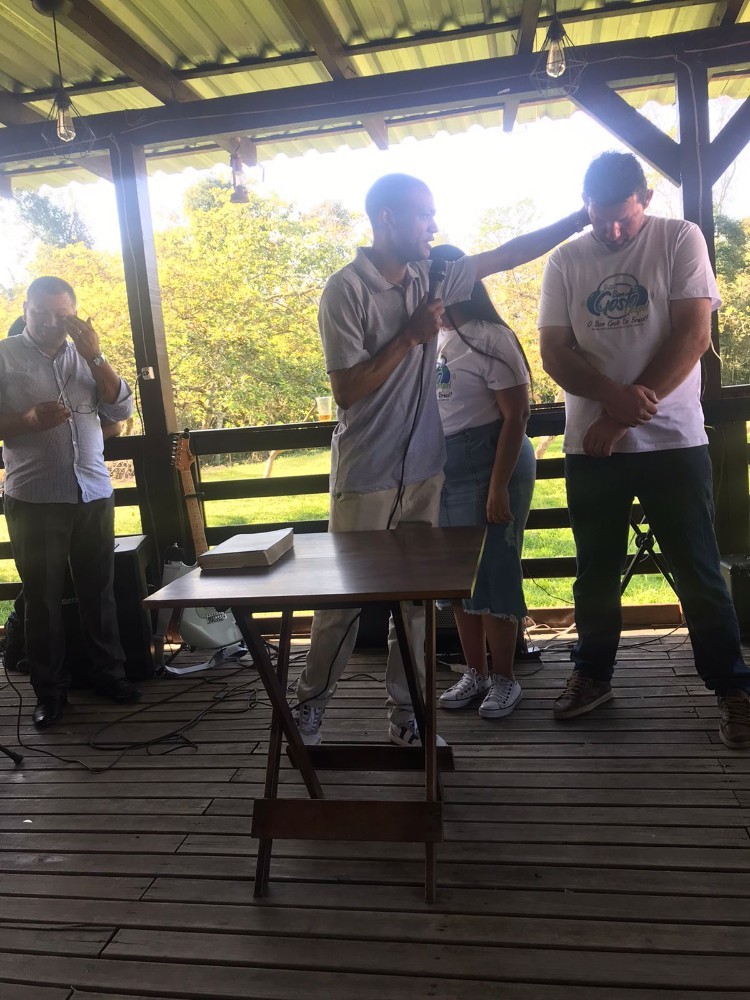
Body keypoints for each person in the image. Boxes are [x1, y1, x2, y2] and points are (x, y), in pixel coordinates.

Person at [293, 172, 589, 747]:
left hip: (426, 474)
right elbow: (347, 389)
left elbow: (507, 254)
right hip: (367, 474)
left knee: (417, 606)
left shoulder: (431, 276)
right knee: (342, 604)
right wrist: (408, 337)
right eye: (424, 214)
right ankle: (308, 710)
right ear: (387, 218)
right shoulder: (344, 290)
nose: (434, 225)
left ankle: (408, 718)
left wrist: (578, 219)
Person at [538, 150, 750, 750]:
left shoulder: (680, 238)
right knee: (595, 573)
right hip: (592, 447)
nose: (611, 230)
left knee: (698, 569)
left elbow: (693, 335)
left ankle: (733, 688)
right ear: (586, 206)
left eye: (623, 217)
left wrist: (621, 415)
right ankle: (593, 675)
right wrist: (613, 403)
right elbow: (554, 352)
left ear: (646, 201)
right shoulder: (565, 260)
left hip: (673, 440)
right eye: (599, 217)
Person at [0, 276, 139, 726]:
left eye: (60, 314)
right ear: (25, 308)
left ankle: (109, 675)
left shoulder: (87, 355)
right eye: (40, 312)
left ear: (73, 313)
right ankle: (51, 693)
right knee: (42, 601)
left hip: (92, 491)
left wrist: (96, 356)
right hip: (35, 498)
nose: (50, 322)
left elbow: (120, 410)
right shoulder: (4, 356)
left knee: (99, 592)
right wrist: (26, 418)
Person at [430, 245, 534, 720]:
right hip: (447, 467)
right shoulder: (435, 338)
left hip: (492, 458)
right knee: (460, 579)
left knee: (494, 570)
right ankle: (475, 672)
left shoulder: (492, 337)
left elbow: (517, 417)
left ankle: (505, 678)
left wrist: (497, 487)